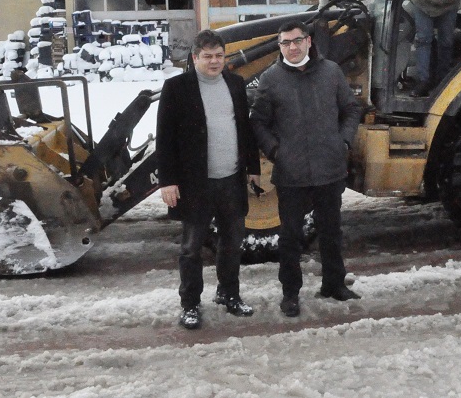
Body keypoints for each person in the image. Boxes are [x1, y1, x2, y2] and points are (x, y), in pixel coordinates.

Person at [250, 21, 363, 317]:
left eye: (297, 40)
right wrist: (276, 151)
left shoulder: (331, 73)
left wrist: (343, 142)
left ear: (309, 41)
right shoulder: (271, 79)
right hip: (292, 173)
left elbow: (351, 108)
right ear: (280, 46)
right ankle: (290, 293)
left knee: (331, 231)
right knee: (290, 237)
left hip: (329, 167)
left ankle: (334, 284)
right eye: (285, 42)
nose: (292, 47)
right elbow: (258, 122)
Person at [156, 29, 261, 330]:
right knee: (191, 248)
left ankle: (229, 294)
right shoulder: (177, 88)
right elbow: (165, 138)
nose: (214, 62)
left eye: (219, 56)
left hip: (230, 180)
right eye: (208, 56)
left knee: (232, 243)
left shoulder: (236, 83)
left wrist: (252, 167)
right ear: (195, 58)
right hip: (195, 184)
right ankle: (190, 304)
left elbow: (245, 129)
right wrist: (168, 182)